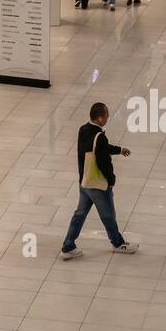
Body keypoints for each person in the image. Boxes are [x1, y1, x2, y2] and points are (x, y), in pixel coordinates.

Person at [60, 103, 136, 259]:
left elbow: (98, 149)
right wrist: (111, 180)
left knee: (79, 214)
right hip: (98, 184)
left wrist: (119, 150)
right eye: (107, 115)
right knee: (108, 215)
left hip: (85, 181)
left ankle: (68, 246)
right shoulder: (99, 137)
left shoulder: (83, 129)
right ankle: (117, 243)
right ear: (100, 118)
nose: (108, 118)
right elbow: (103, 162)